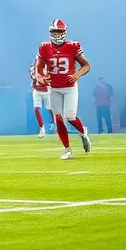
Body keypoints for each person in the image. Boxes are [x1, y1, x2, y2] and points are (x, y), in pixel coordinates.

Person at [36, 19, 92, 159]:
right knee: (58, 119)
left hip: (70, 87)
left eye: (59, 31)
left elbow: (86, 65)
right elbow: (40, 66)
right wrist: (41, 77)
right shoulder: (44, 47)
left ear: (65, 32)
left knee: (70, 116)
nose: (57, 34)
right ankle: (67, 150)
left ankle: (83, 133)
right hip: (54, 88)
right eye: (55, 32)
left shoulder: (73, 46)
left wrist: (76, 75)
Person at [30, 62, 51, 138]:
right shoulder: (33, 68)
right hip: (37, 90)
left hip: (47, 90)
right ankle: (42, 128)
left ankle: (59, 127)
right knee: (36, 108)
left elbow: (50, 78)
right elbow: (35, 77)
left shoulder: (48, 66)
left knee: (52, 109)